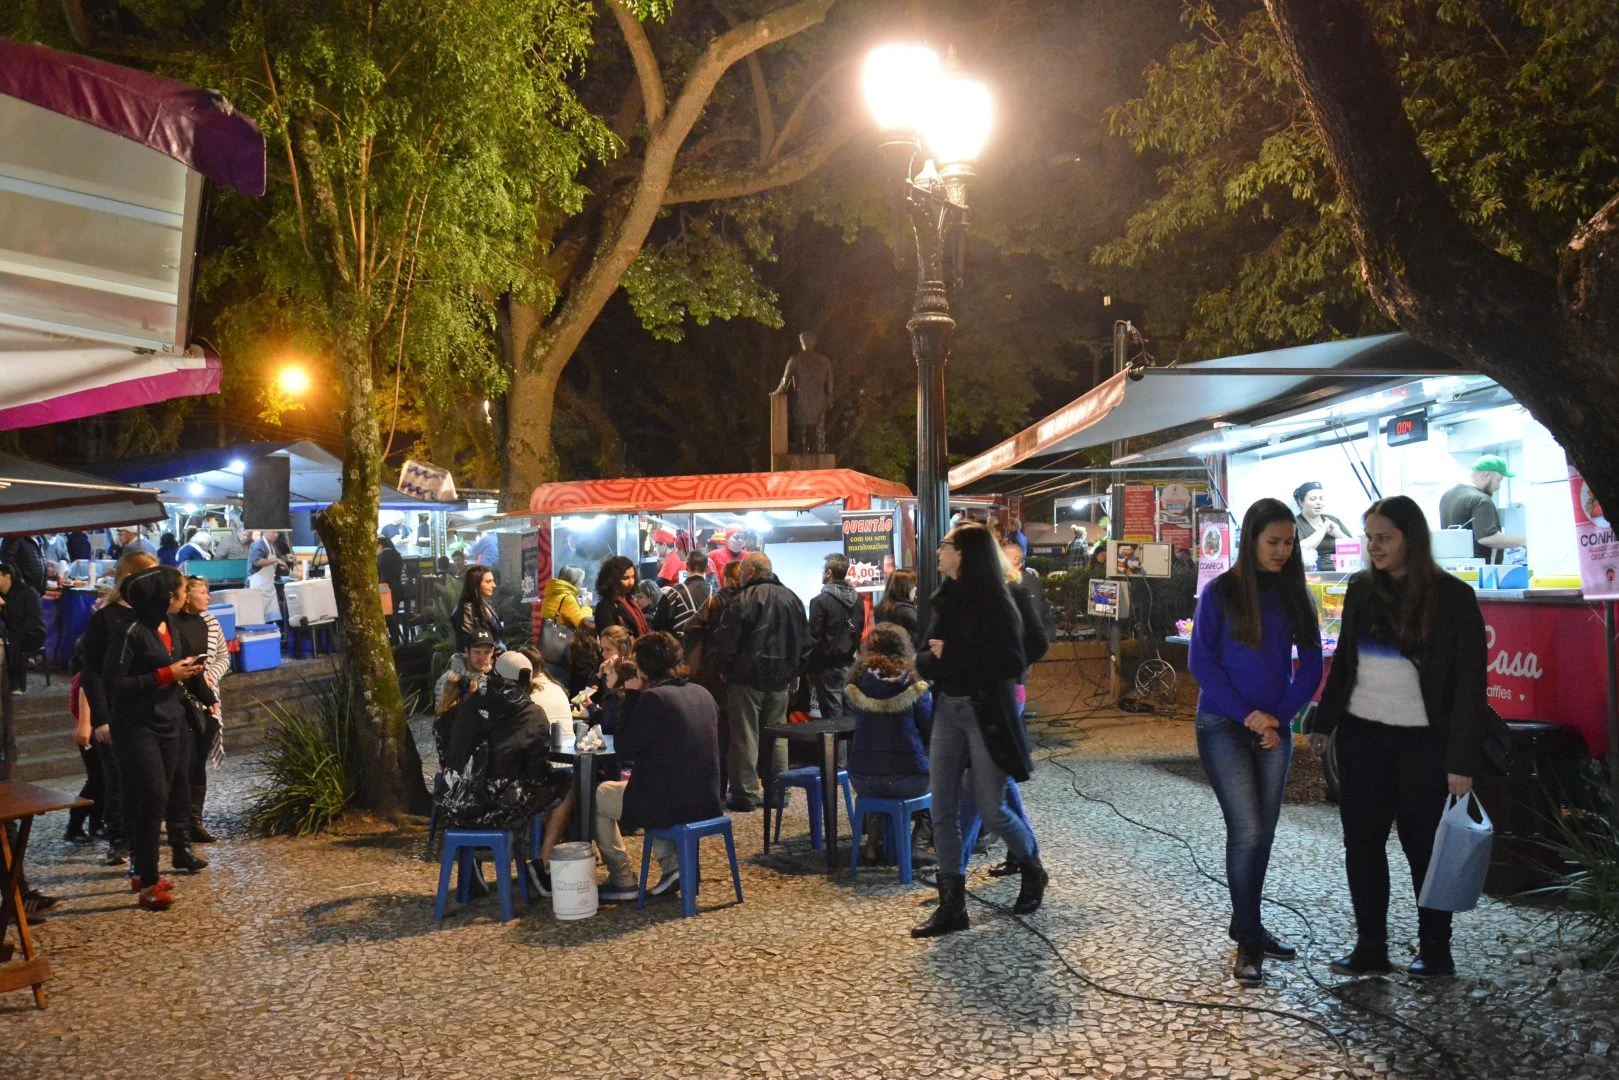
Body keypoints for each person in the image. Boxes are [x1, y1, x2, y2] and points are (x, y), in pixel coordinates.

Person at [1311, 495, 1488, 981]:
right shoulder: (1360, 589)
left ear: (1411, 538)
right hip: (1364, 739)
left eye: (1384, 537)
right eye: (1370, 538)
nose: (1374, 546)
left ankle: (1435, 948)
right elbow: (1345, 662)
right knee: (1362, 844)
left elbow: (1471, 686)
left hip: (1424, 746)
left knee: (1423, 847)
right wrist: (1323, 723)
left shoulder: (1452, 597)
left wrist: (1461, 760)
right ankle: (1371, 944)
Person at [1187, 498, 1324, 987]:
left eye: (1289, 542)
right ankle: (1247, 941)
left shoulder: (1295, 594)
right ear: (1251, 540)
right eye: (1274, 542)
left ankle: (1248, 921)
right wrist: (1250, 716)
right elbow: (1201, 664)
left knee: (1263, 833)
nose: (1283, 551)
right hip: (1223, 724)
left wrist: (1278, 719)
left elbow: (1311, 665)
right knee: (1246, 830)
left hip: (1274, 727)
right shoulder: (1221, 592)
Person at [912, 523, 1044, 938]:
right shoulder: (945, 596)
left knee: (992, 808)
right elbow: (925, 654)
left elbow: (1015, 658)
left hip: (986, 712)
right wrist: (938, 659)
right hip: (948, 709)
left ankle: (1032, 865)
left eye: (946, 546)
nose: (938, 551)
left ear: (965, 554)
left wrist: (952, 654)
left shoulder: (1003, 598)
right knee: (943, 810)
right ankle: (954, 906)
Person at [103, 565, 214, 910]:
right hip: (136, 726)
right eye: (181, 590)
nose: (185, 595)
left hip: (171, 720)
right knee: (151, 797)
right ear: (166, 596)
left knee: (159, 796)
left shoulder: (172, 628)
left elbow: (178, 669)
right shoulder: (130, 632)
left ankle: (143, 869)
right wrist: (165, 674)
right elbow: (113, 684)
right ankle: (148, 882)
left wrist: (204, 693)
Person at [593, 632, 723, 902]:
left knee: (600, 795)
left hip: (668, 803)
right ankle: (673, 867)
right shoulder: (702, 692)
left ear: (642, 665)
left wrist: (629, 695)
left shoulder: (654, 699)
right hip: (707, 797)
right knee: (656, 778)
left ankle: (622, 878)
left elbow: (626, 746)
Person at [439, 650, 572, 896]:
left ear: (495, 674)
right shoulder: (532, 714)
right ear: (528, 681)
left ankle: (473, 863)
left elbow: (452, 753)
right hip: (498, 811)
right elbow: (537, 774)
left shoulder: (470, 703)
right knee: (565, 783)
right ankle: (541, 864)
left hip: (456, 808)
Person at [80, 550, 158, 868]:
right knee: (117, 779)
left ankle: (144, 841)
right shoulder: (106, 618)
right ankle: (119, 839)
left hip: (147, 710)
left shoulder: (152, 615)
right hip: (115, 711)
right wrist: (99, 718)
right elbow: (92, 672)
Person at [712, 552, 806, 811]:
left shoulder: (742, 599)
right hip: (780, 680)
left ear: (751, 572)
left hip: (745, 678)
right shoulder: (791, 598)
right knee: (779, 737)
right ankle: (779, 791)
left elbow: (727, 640)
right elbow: (803, 640)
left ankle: (745, 793)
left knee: (745, 736)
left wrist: (723, 668)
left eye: (742, 570)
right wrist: (796, 671)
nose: (740, 575)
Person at [845, 623, 934, 865]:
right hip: (908, 779)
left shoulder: (855, 683)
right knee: (942, 781)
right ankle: (920, 844)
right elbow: (931, 730)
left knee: (878, 770)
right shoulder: (914, 684)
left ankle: (873, 843)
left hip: (863, 780)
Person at [177, 576, 231, 844]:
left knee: (198, 762)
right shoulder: (172, 623)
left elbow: (223, 655)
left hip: (207, 697)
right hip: (181, 699)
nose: (208, 597)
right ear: (185, 595)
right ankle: (178, 819)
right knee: (181, 763)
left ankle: (194, 820)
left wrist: (211, 675)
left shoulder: (209, 622)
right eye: (202, 592)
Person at [804, 553, 865, 720]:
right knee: (851, 717)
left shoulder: (820, 601)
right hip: (850, 664)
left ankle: (838, 748)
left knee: (833, 721)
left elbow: (814, 638)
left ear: (829, 573)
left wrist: (810, 669)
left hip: (827, 668)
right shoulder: (858, 600)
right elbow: (859, 630)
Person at [1439, 456, 1525, 563]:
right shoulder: (1481, 500)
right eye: (1498, 480)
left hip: (1454, 566)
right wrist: (1525, 542)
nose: (1498, 487)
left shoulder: (1449, 494)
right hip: (1479, 569)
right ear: (1486, 475)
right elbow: (1487, 538)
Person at [774, 330, 834, 453]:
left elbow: (785, 381)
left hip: (803, 398)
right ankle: (815, 451)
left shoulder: (796, 359)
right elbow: (830, 381)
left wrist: (779, 391)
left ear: (802, 343)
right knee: (816, 428)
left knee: (803, 428)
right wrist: (829, 395)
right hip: (816, 398)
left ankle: (805, 451)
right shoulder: (824, 360)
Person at [0, 561, 46, 694]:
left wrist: (4, 608)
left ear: (7, 576)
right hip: (10, 632)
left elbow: (23, 621)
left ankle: (15, 684)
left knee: (12, 641)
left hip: (32, 633)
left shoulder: (27, 593)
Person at [1292, 482, 1354, 572]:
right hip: (1314, 573)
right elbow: (1300, 548)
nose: (1318, 503)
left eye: (1321, 499)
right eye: (1313, 499)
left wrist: (1338, 534)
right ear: (1301, 502)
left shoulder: (1333, 520)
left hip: (1342, 571)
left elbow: (1354, 548)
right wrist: (1323, 530)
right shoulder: (1295, 523)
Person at [651, 551, 712, 637]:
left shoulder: (673, 594)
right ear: (707, 568)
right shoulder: (716, 593)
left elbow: (657, 625)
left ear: (686, 566)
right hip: (711, 647)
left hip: (682, 647)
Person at [591, 556, 649, 637]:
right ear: (612, 580)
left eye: (632, 577)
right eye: (625, 578)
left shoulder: (630, 600)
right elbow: (609, 640)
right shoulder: (605, 606)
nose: (631, 582)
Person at [451, 565, 503, 652]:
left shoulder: (484, 605)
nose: (494, 585)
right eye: (488, 581)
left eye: (493, 581)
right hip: (479, 661)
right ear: (475, 584)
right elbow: (467, 641)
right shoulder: (467, 609)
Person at [874, 570, 920, 642]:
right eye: (913, 586)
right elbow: (923, 631)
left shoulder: (880, 608)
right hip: (906, 651)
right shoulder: (907, 611)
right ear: (905, 588)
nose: (915, 589)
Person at [376, 535, 406, 644]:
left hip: (385, 591)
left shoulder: (382, 558)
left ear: (380, 546)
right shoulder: (397, 555)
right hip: (397, 590)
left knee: (387, 617)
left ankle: (390, 641)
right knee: (394, 615)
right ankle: (395, 639)